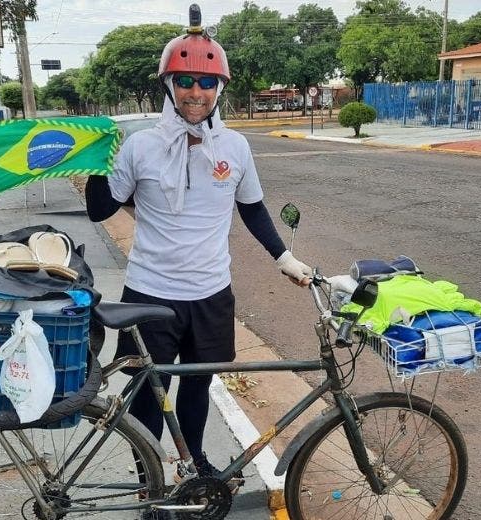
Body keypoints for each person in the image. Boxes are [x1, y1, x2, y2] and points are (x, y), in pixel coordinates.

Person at [85, 8, 311, 481]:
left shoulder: (235, 147)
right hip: (151, 291)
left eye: (206, 83)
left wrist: (284, 258)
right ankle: (150, 480)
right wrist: (96, 162)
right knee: (149, 391)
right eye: (185, 80)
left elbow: (251, 207)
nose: (196, 92)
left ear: (219, 89)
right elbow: (102, 210)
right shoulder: (140, 146)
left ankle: (195, 461)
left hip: (211, 291)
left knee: (197, 384)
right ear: (170, 85)